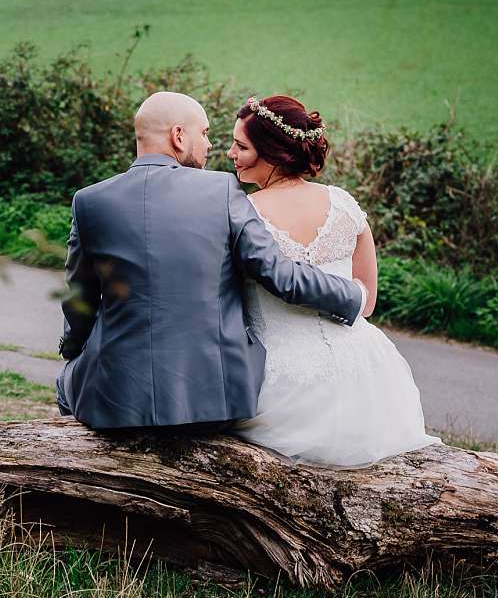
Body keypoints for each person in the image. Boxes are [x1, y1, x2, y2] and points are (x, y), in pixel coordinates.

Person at [56, 89, 365, 431]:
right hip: (215, 403)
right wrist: (353, 295)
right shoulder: (222, 190)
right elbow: (279, 274)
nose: (209, 145)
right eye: (203, 133)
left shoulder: (89, 201)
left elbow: (79, 301)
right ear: (178, 136)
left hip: (117, 406)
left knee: (66, 382)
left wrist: (74, 351)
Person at [226, 94, 439, 465]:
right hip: (368, 376)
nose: (230, 153)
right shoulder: (343, 204)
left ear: (272, 152)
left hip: (282, 384)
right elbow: (367, 301)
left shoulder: (242, 213)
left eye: (240, 146)